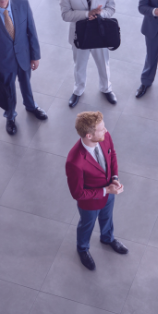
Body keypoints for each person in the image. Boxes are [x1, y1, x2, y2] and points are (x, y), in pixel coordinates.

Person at [0, 0, 48, 136]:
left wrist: (35, 56)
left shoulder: (23, 4)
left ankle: (31, 106)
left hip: (24, 56)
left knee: (26, 84)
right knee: (8, 91)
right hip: (3, 62)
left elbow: (32, 30)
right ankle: (10, 117)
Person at [65, 111, 128, 271]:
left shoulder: (104, 137)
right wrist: (106, 190)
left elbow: (112, 154)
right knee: (87, 225)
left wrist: (114, 178)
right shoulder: (74, 161)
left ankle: (107, 238)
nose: (106, 131)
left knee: (107, 218)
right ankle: (82, 249)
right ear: (89, 135)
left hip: (109, 193)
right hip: (90, 203)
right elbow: (77, 194)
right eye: (101, 129)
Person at [60, 0, 117, 108]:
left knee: (103, 63)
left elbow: (111, 8)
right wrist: (87, 14)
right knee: (79, 65)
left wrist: (98, 15)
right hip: (79, 34)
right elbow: (65, 14)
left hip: (100, 33)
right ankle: (78, 90)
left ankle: (106, 88)